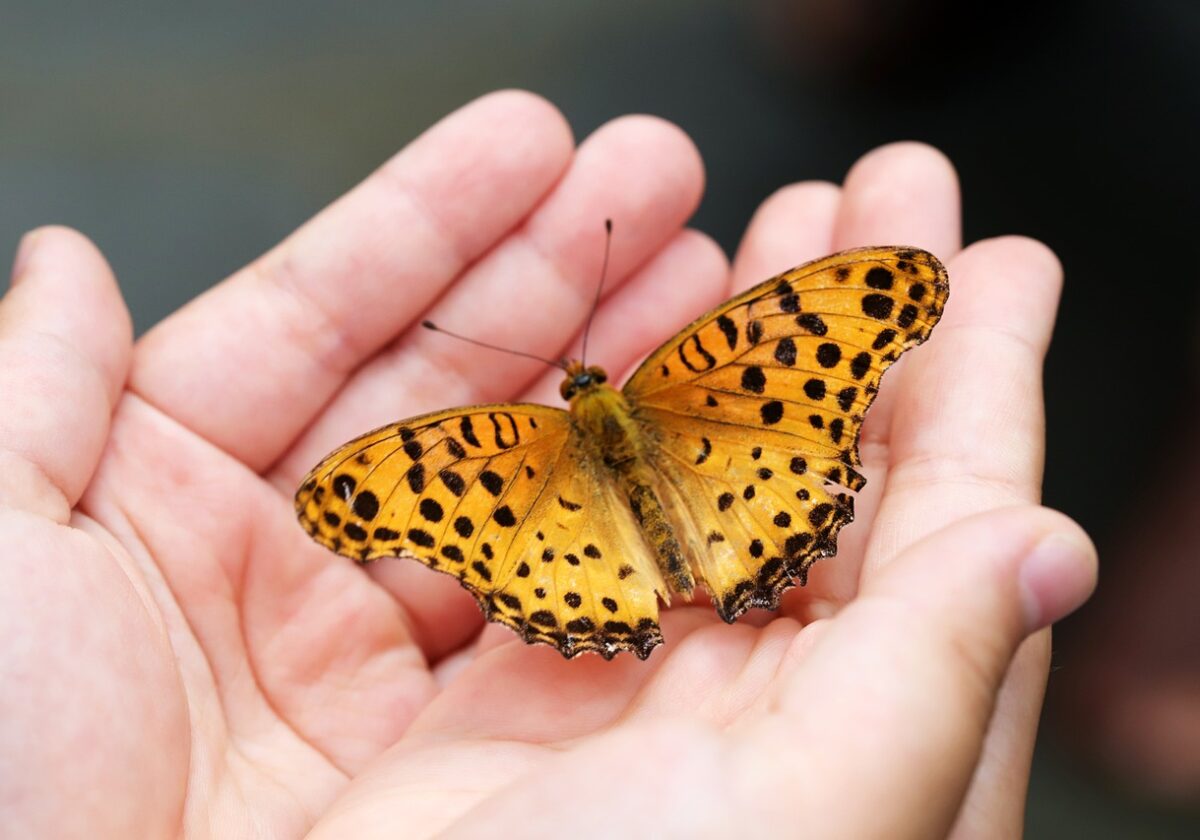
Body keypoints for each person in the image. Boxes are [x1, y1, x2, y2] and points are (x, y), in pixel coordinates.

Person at [0, 90, 1095, 838]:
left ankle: (632, 594)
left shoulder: (482, 450)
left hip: (572, 561)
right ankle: (734, 565)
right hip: (747, 494)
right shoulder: (702, 365)